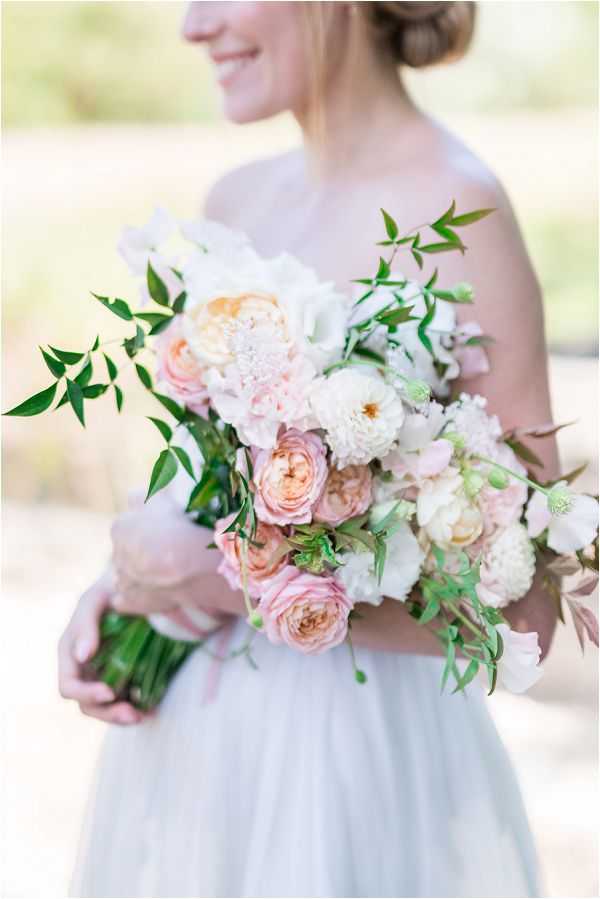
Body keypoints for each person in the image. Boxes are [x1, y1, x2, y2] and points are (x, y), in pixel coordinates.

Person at [62, 3, 560, 896]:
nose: (191, 26)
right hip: (194, 757)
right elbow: (207, 490)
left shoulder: (458, 207)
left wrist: (225, 584)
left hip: (349, 761)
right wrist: (124, 592)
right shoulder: (237, 200)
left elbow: (522, 610)